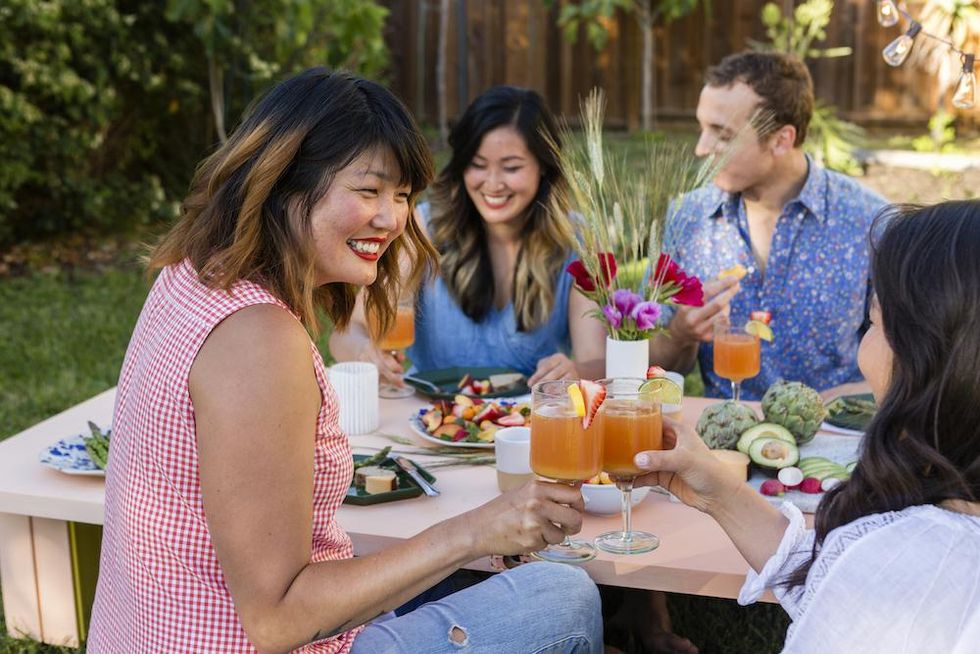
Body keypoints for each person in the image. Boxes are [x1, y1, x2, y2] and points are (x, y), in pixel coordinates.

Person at [86, 68, 603, 654]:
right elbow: (277, 620)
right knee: (565, 596)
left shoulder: (191, 277)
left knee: (482, 575)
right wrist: (476, 529)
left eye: (403, 195)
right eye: (368, 191)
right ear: (285, 183)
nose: (393, 218)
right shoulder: (257, 338)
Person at [636, 201, 980, 652]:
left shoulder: (906, 566)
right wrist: (718, 493)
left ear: (927, 361)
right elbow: (833, 581)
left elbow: (866, 586)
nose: (863, 349)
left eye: (872, 323)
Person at [330, 85, 606, 387]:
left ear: (544, 167)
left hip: (526, 426)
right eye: (477, 165)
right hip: (429, 419)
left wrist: (576, 372)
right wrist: (364, 354)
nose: (493, 184)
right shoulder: (424, 228)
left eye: (511, 168)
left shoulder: (579, 239)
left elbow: (596, 360)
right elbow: (348, 332)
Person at [651, 51, 886, 400]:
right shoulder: (688, 217)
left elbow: (912, 366)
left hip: (832, 441)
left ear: (781, 140)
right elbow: (647, 367)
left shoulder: (870, 222)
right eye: (702, 128)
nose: (701, 148)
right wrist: (680, 332)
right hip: (719, 440)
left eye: (722, 134)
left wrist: (844, 398)